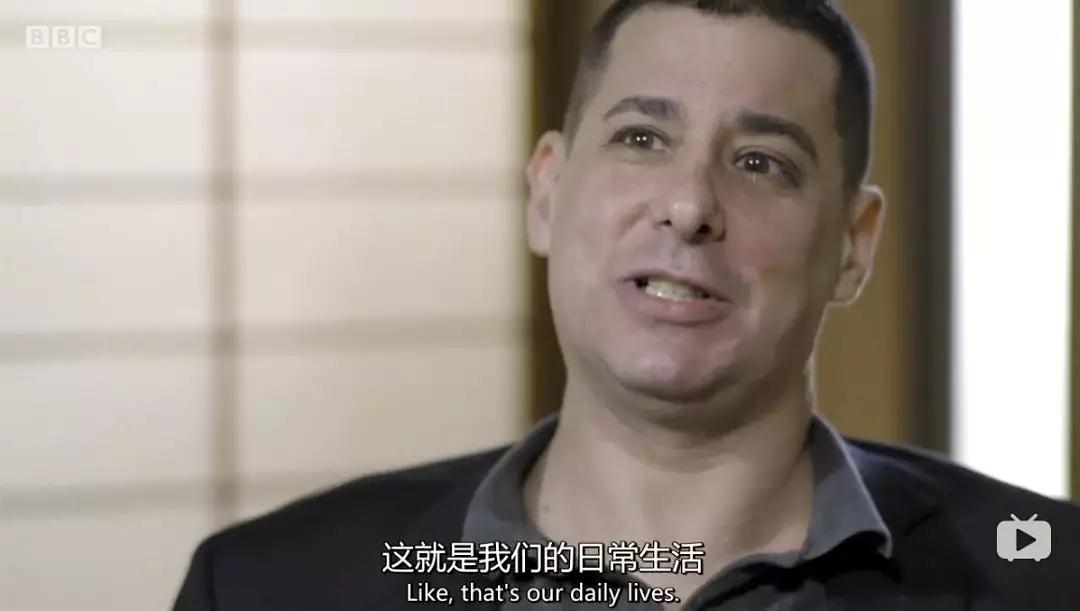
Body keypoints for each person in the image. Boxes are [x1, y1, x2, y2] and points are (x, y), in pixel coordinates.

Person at [173, 1, 1080, 609]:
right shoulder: (270, 586)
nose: (688, 205)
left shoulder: (1045, 574)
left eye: (761, 162)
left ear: (854, 243)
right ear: (546, 190)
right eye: (642, 138)